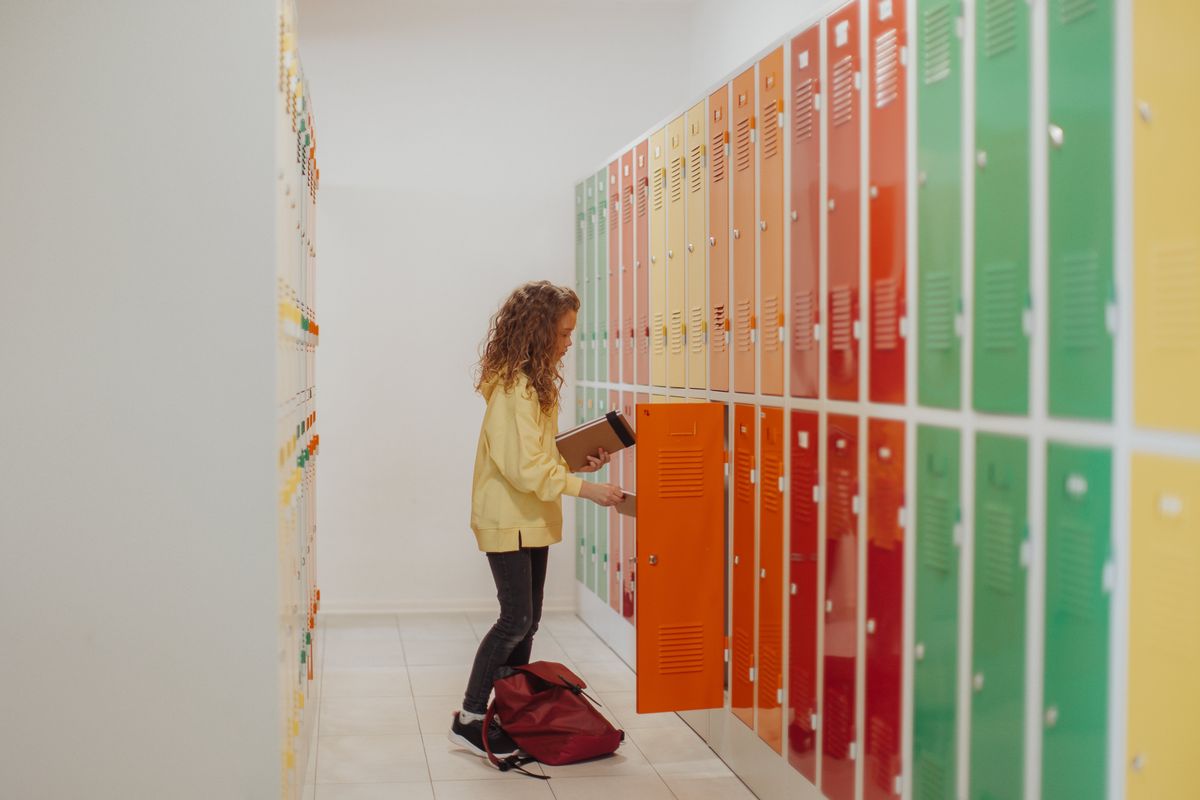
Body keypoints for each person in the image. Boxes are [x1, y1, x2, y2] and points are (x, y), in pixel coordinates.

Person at [448, 280, 624, 758]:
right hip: (507, 517)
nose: (570, 342)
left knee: (529, 622)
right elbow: (523, 468)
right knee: (515, 618)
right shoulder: (512, 388)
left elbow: (537, 458)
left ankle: (512, 707)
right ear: (540, 330)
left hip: (530, 515)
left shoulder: (533, 383)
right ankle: (469, 715)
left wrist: (574, 463)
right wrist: (587, 490)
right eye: (564, 333)